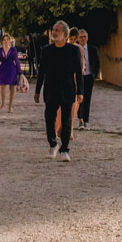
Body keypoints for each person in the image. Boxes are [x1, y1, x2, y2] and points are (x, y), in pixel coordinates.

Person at [35, 21, 82, 161]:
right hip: (51, 89)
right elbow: (41, 72)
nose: (54, 32)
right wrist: (37, 91)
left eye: (57, 30)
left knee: (67, 120)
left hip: (68, 89)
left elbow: (78, 73)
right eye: (53, 30)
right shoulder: (47, 50)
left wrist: (80, 92)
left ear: (65, 34)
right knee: (50, 119)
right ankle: (53, 144)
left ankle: (65, 149)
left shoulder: (73, 51)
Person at [0, 32, 25, 112]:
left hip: (11, 69)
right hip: (3, 69)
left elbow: (16, 61)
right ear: (2, 41)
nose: (6, 41)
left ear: (10, 41)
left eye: (7, 40)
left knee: (11, 87)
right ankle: (3, 103)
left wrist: (20, 72)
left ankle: (10, 106)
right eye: (4, 40)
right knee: (2, 86)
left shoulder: (13, 49)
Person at [74, 28, 101, 125]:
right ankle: (80, 118)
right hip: (79, 77)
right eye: (81, 37)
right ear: (77, 38)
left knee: (87, 98)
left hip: (89, 76)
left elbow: (97, 63)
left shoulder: (93, 49)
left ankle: (85, 120)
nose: (83, 38)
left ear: (87, 38)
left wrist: (95, 75)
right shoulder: (75, 49)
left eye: (84, 37)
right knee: (79, 97)